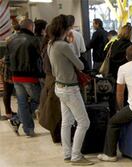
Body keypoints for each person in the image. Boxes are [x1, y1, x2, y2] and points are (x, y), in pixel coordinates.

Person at [48, 15, 93, 166]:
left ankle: (68, 153)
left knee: (66, 122)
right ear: (65, 28)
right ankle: (76, 156)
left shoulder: (51, 44)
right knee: (84, 122)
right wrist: (71, 46)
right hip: (70, 88)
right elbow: (80, 65)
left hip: (59, 86)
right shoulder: (64, 45)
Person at [97, 45, 132, 162]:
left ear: (126, 57)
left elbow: (120, 93)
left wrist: (120, 109)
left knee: (113, 122)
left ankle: (110, 154)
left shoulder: (123, 68)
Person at [5, 19, 42, 137]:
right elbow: (39, 59)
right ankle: (19, 121)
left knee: (22, 103)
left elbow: (6, 60)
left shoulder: (10, 40)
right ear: (31, 27)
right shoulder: (33, 40)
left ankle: (27, 129)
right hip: (30, 76)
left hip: (16, 76)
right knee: (39, 99)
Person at [38, 26, 62, 143]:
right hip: (54, 80)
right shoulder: (53, 47)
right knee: (55, 109)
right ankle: (57, 136)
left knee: (51, 109)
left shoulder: (46, 46)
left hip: (49, 79)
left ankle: (56, 136)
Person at [0, 22, 20, 120]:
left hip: (5, 65)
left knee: (7, 90)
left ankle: (8, 112)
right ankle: (8, 113)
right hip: (8, 66)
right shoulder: (16, 39)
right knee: (8, 91)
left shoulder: (10, 38)